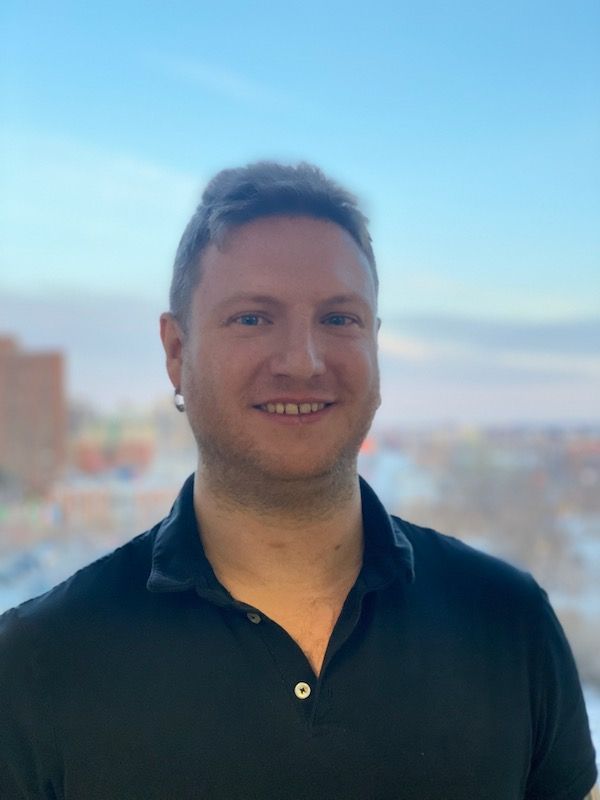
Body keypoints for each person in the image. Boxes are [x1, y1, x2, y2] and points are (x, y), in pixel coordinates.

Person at [0, 162, 597, 799]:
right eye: (252, 318)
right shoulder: (36, 664)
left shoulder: (508, 623)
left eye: (339, 319)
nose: (303, 363)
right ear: (176, 352)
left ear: (374, 345)